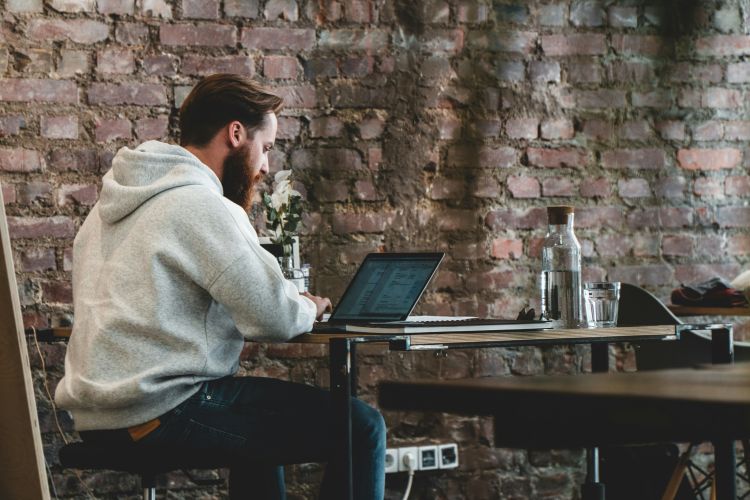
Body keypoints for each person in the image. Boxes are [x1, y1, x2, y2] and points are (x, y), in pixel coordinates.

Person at [54, 73, 386, 499]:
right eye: (265, 148)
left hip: (97, 417)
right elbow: (274, 316)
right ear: (235, 134)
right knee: (361, 427)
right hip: (161, 408)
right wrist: (307, 305)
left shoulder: (105, 210)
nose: (266, 167)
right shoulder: (201, 205)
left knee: (256, 438)